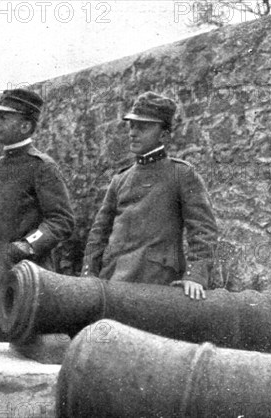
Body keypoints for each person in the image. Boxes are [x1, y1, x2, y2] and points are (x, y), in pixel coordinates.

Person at [81, 92, 218, 300]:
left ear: (163, 134)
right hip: (113, 278)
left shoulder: (181, 174)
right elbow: (99, 233)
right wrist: (88, 274)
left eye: (143, 127)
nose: (133, 133)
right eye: (132, 126)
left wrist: (195, 276)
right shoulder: (120, 179)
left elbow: (203, 229)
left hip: (156, 279)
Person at [0, 88, 75, 340]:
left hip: (22, 277)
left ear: (26, 126)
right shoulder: (1, 161)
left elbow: (61, 221)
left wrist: (25, 247)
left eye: (5, 118)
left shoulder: (41, 166)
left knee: (21, 350)